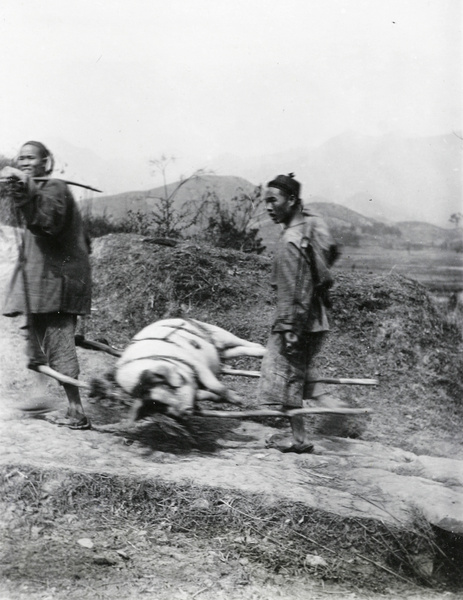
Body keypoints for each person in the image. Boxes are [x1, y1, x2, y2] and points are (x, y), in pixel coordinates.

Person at [1, 141, 92, 429]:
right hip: (39, 280)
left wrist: (25, 192)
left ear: (45, 163)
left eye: (31, 158)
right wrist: (20, 190)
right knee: (36, 339)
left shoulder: (55, 188)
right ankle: (41, 395)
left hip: (58, 280)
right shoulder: (34, 189)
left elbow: (46, 223)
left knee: (58, 341)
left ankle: (77, 411)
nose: (25, 161)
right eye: (21, 157)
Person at [258, 173, 338, 453]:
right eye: (265, 201)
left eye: (273, 200)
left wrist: (291, 329)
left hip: (299, 322)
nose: (268, 207)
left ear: (291, 201)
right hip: (309, 320)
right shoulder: (300, 233)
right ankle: (308, 428)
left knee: (288, 380)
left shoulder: (291, 240)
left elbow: (296, 290)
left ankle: (300, 438)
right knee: (293, 379)